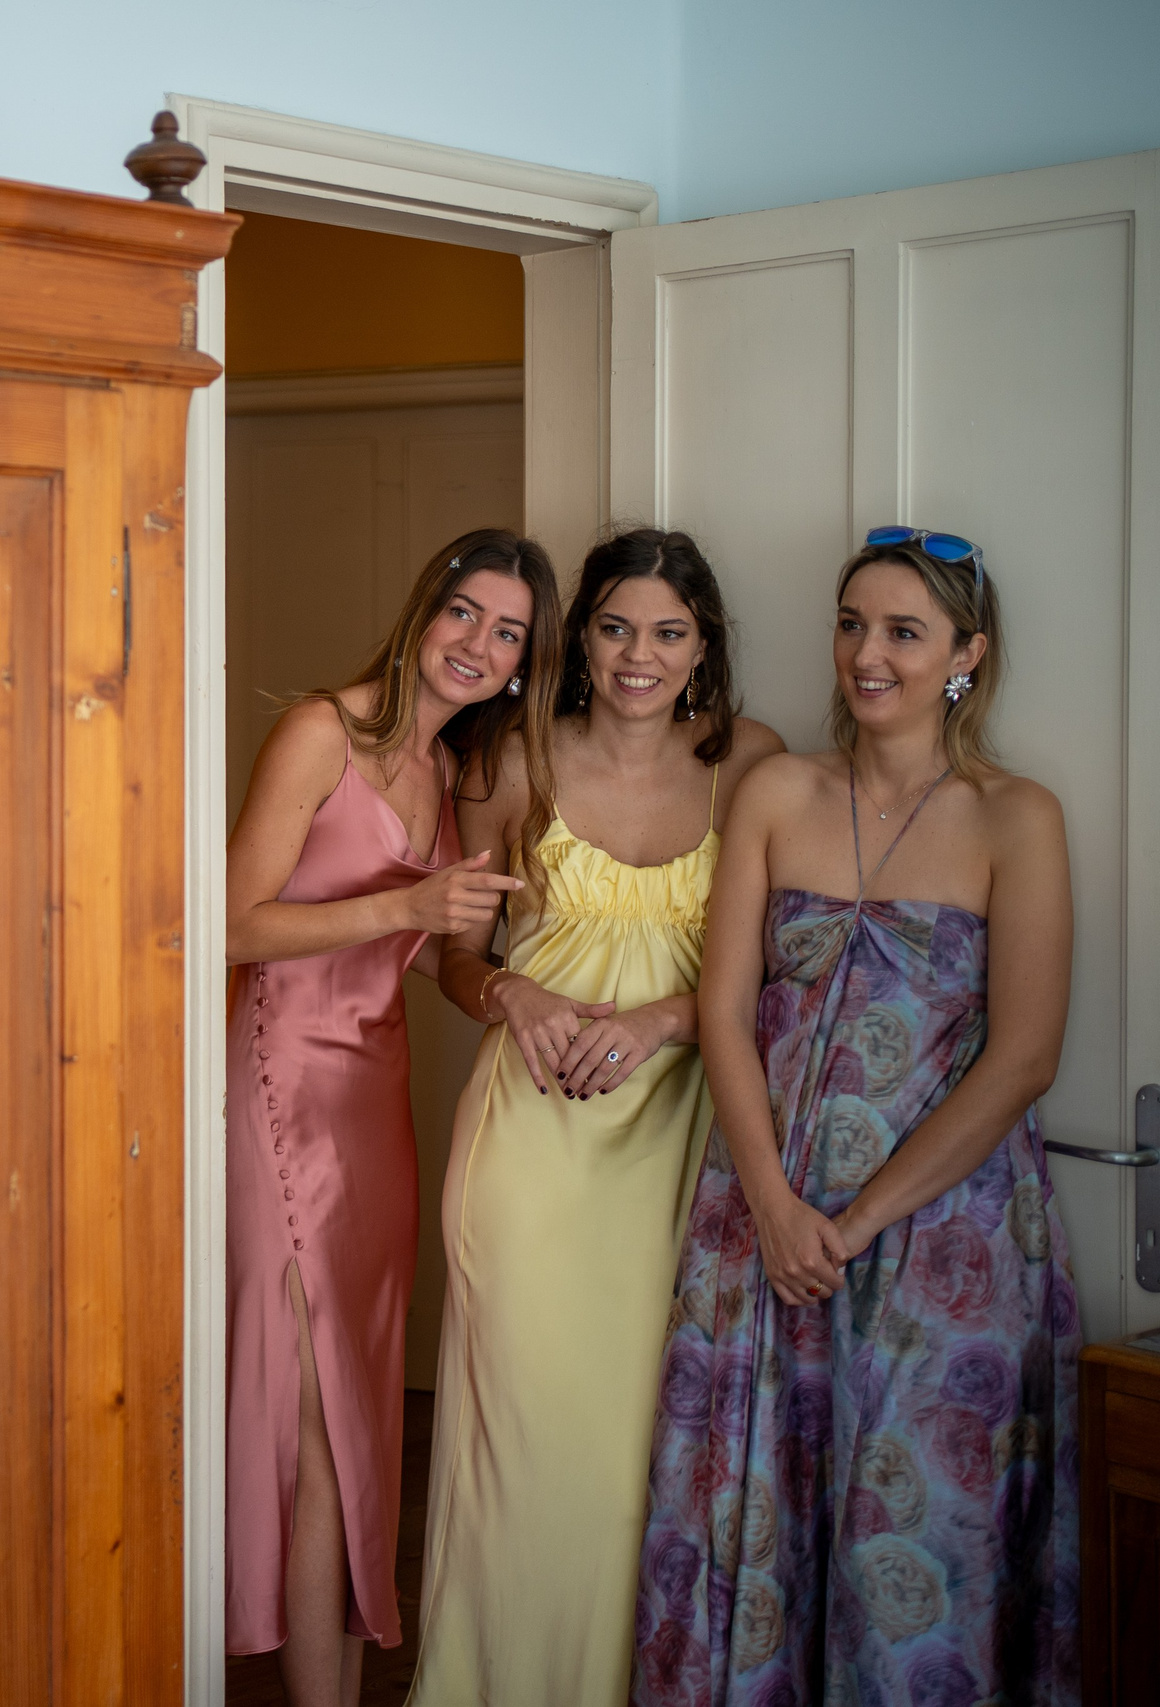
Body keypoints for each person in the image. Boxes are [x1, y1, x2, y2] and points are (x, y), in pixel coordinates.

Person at [634, 529, 1081, 1706]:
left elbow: (1023, 1057)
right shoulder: (776, 793)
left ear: (964, 657)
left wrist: (861, 1216)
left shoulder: (1014, 818)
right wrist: (778, 1210)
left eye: (901, 632)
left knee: (918, 1544)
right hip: (760, 1224)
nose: (864, 655)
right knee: (751, 1519)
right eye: (849, 624)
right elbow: (723, 1013)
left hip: (944, 1246)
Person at [411, 529, 783, 1707]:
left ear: (703, 648)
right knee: (522, 1454)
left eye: (668, 632)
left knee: (637, 1459)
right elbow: (454, 959)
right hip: (531, 1149)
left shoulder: (753, 767)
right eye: (616, 627)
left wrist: (667, 1022)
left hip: (681, 1150)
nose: (639, 656)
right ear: (580, 639)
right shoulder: (509, 759)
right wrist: (512, 994)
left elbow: (785, 964)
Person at [225, 527, 561, 1707]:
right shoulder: (326, 729)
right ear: (425, 611)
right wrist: (407, 903)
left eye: (508, 631)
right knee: (312, 1414)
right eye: (464, 613)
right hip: (276, 1084)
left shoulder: (458, 772)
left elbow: (431, 955)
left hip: (372, 1103)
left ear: (525, 660)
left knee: (364, 1410)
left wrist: (511, 991)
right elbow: (229, 924)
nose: (479, 643)